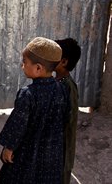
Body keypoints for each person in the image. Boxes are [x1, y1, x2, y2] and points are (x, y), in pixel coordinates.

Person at [0, 37, 69, 184]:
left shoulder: (28, 94)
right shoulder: (61, 89)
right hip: (51, 155)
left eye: (24, 62)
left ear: (38, 68)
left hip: (27, 153)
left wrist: (9, 147)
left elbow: (17, 124)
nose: (22, 66)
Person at [55, 38, 81, 184]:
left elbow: (67, 119)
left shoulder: (67, 87)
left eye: (53, 55)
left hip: (62, 147)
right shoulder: (57, 82)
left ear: (64, 62)